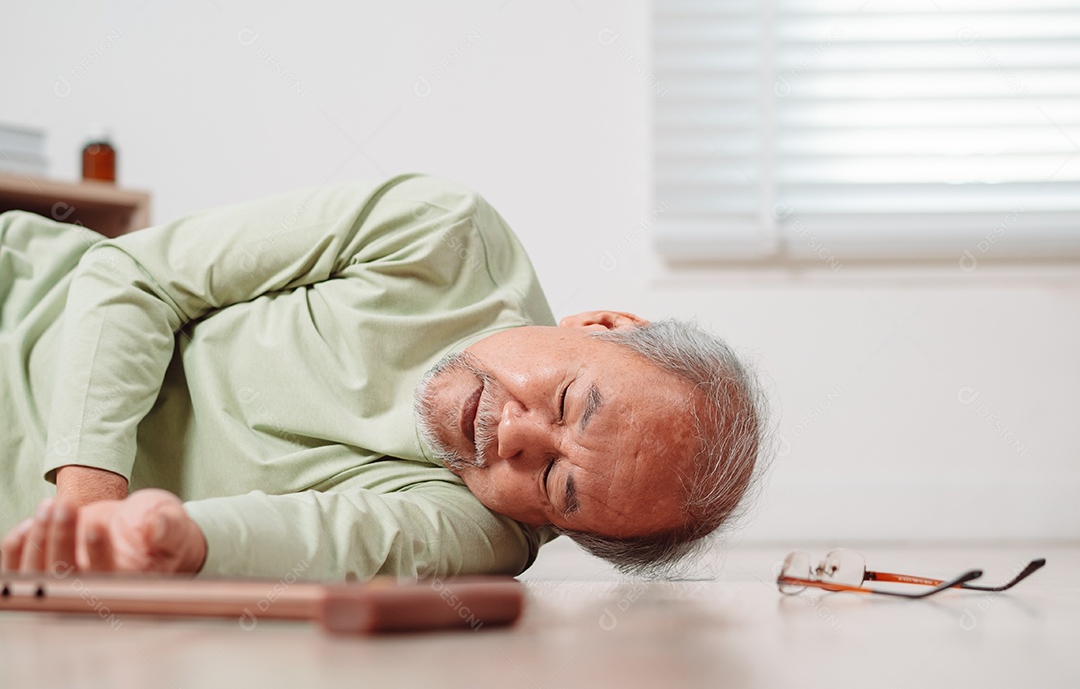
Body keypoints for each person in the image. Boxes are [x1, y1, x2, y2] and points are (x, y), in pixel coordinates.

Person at [0, 174, 766, 580]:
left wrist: (179, 541)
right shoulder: (444, 234)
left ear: (559, 527)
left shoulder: (482, 531)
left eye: (560, 488)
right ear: (601, 327)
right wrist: (88, 506)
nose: (519, 436)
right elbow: (130, 276)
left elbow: (332, 541)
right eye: (570, 402)